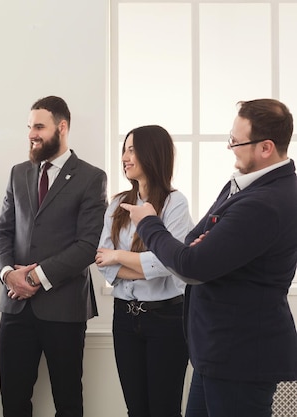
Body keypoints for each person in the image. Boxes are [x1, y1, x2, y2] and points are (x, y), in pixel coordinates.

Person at [121, 99, 297, 417]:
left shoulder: (263, 203)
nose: (230, 147)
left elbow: (190, 265)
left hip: (240, 357)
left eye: (236, 141)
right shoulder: (243, 188)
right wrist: (195, 250)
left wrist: (148, 222)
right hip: (218, 353)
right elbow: (189, 244)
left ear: (266, 147)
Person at [0, 95, 108, 417]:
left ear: (62, 127)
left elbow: (87, 245)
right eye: (29, 127)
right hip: (15, 306)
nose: (32, 134)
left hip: (65, 307)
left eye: (39, 127)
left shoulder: (91, 177)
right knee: (13, 400)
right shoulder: (18, 173)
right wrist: (7, 273)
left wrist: (34, 277)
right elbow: (2, 231)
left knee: (68, 401)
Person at [95, 125, 193, 417]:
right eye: (124, 149)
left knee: (164, 409)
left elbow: (169, 262)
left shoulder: (175, 203)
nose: (125, 156)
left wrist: (119, 257)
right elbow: (102, 260)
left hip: (167, 319)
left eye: (132, 149)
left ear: (152, 153)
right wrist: (135, 263)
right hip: (124, 316)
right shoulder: (116, 204)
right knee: (136, 410)